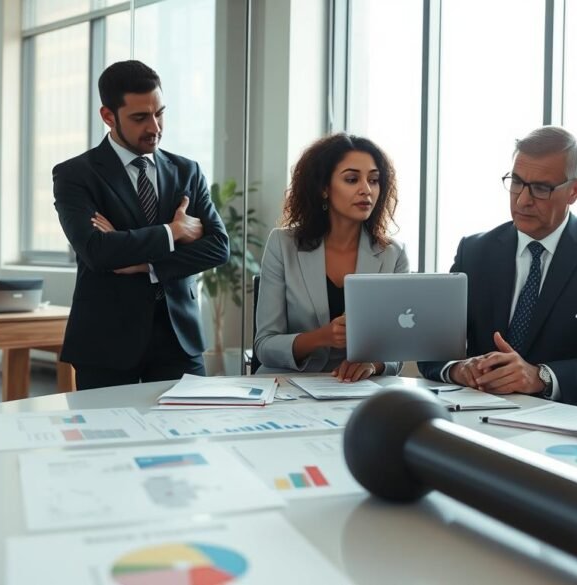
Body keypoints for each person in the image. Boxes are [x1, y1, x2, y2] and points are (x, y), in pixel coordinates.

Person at [418, 126, 577, 406]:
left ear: (574, 191)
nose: (523, 200)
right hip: (477, 411)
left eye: (540, 188)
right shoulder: (475, 252)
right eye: (516, 182)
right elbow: (431, 343)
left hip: (565, 419)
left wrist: (540, 377)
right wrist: (458, 369)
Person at [53, 60, 230, 390]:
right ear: (108, 116)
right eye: (140, 118)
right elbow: (97, 251)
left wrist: (146, 264)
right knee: (106, 441)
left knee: (183, 440)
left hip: (180, 340)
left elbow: (219, 247)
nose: (155, 127)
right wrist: (173, 232)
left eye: (159, 113)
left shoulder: (186, 171)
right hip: (106, 344)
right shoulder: (76, 175)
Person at [254, 133, 409, 381]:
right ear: (324, 188)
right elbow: (264, 345)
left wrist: (373, 365)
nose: (366, 190)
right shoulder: (283, 245)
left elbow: (398, 349)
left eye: (374, 180)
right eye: (351, 179)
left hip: (358, 389)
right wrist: (322, 337)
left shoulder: (393, 254)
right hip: (288, 387)